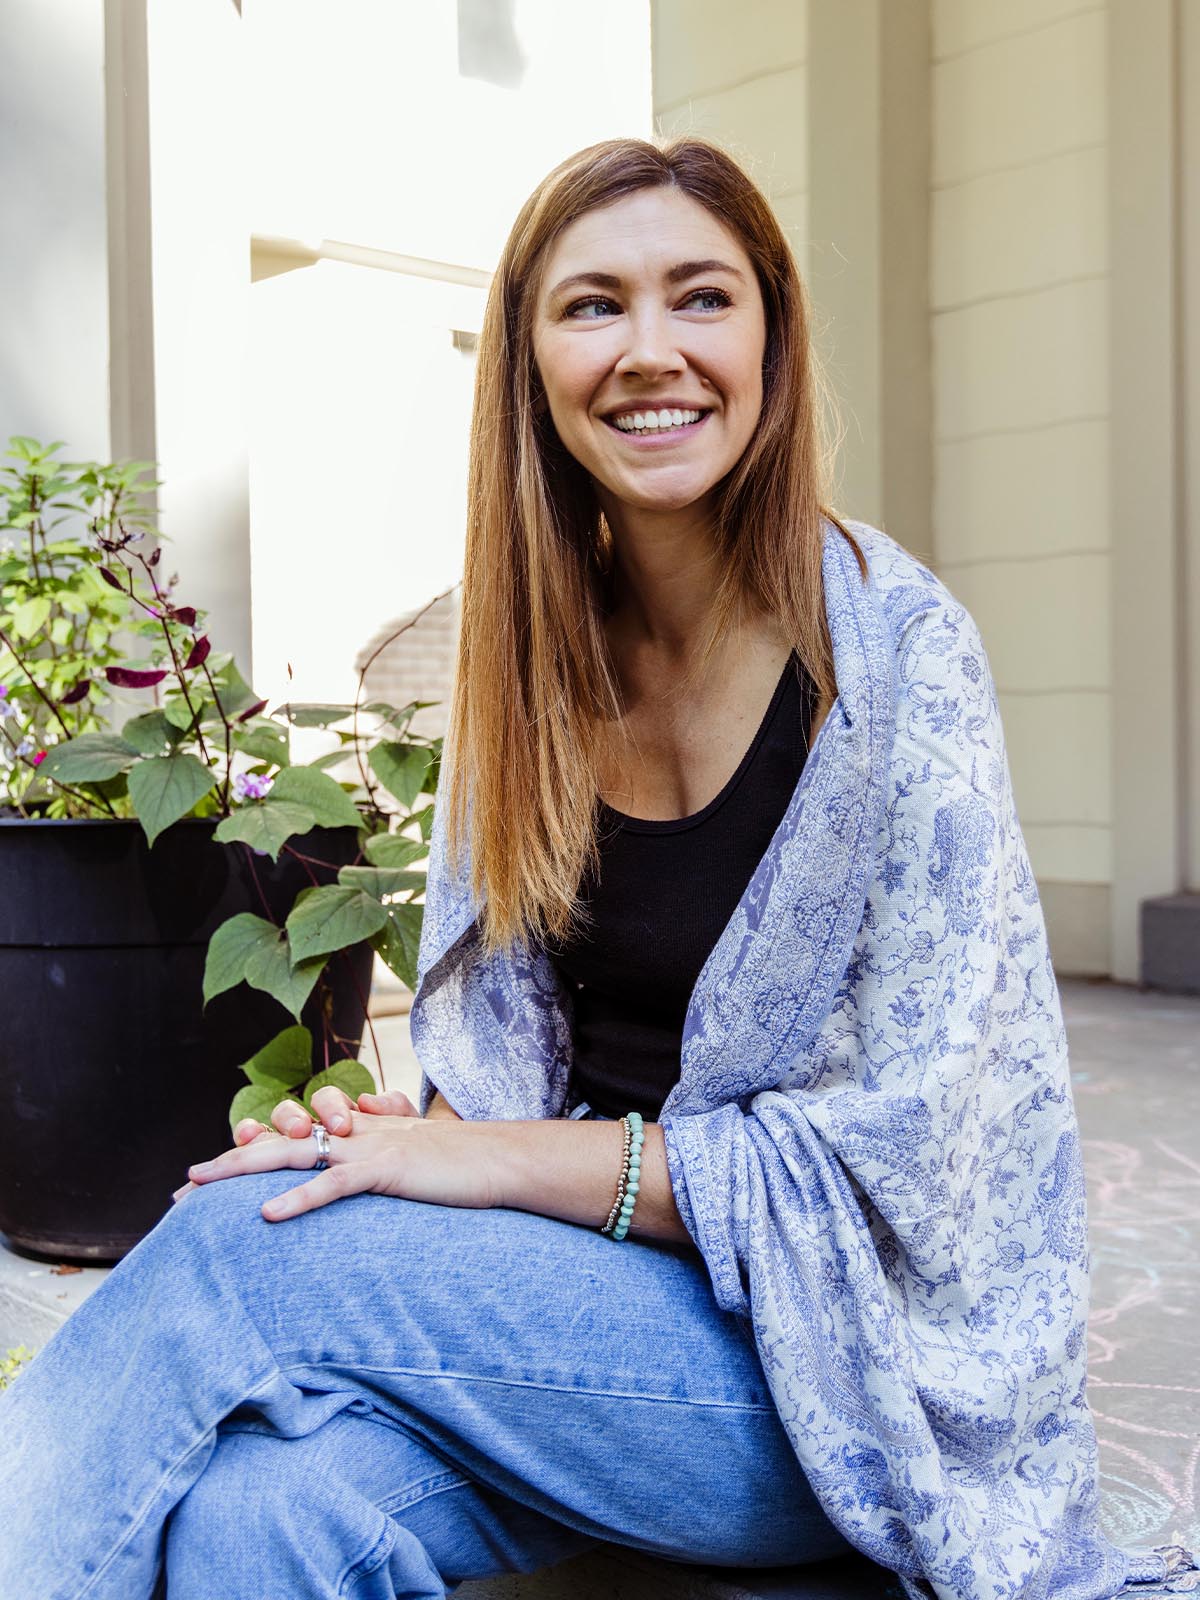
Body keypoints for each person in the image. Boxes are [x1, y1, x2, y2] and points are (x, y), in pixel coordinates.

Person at [0, 136, 1193, 1600]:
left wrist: (488, 1157)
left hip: (844, 1377)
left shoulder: (898, 656)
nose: (650, 353)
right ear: (529, 360)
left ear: (771, 335)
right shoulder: (531, 672)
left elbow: (925, 1161)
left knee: (235, 1250)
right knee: (266, 1514)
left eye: (701, 298)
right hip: (591, 1323)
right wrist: (399, 1136)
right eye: (591, 307)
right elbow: (506, 1071)